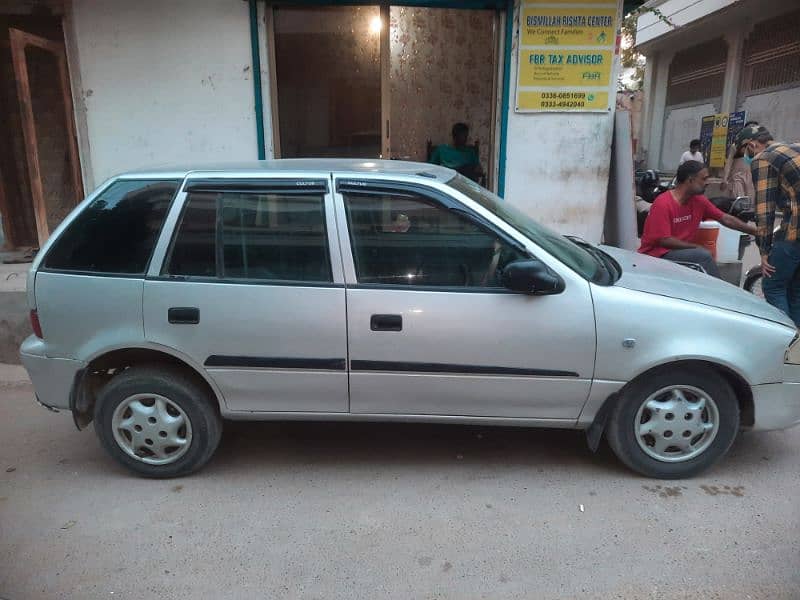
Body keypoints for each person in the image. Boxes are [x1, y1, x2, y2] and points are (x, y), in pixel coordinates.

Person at [638, 160, 757, 278]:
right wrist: (695, 247)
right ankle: (719, 293)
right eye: (704, 179)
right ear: (690, 180)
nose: (707, 183)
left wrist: (755, 231)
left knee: (701, 256)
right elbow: (664, 240)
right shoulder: (663, 203)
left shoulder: (699, 201)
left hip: (676, 253)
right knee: (702, 256)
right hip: (655, 256)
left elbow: (725, 219)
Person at [737, 125, 800, 325]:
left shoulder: (763, 158)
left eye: (745, 152)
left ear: (752, 144)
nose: (747, 157)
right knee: (795, 289)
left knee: (773, 285)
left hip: (796, 231)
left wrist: (764, 251)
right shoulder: (793, 148)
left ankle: (783, 343)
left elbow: (765, 210)